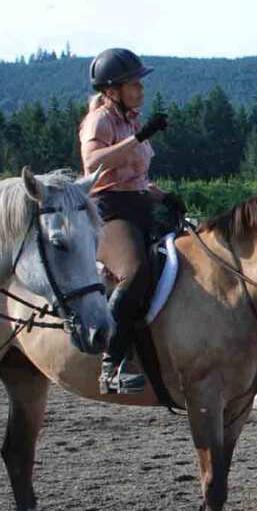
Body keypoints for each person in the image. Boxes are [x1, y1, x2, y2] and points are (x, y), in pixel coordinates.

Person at [78, 47, 171, 394]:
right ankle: (111, 364)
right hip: (108, 209)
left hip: (138, 204)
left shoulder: (129, 119)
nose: (141, 90)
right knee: (135, 272)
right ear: (112, 90)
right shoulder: (100, 120)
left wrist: (165, 197)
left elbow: (139, 178)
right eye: (135, 85)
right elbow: (93, 163)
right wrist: (140, 137)